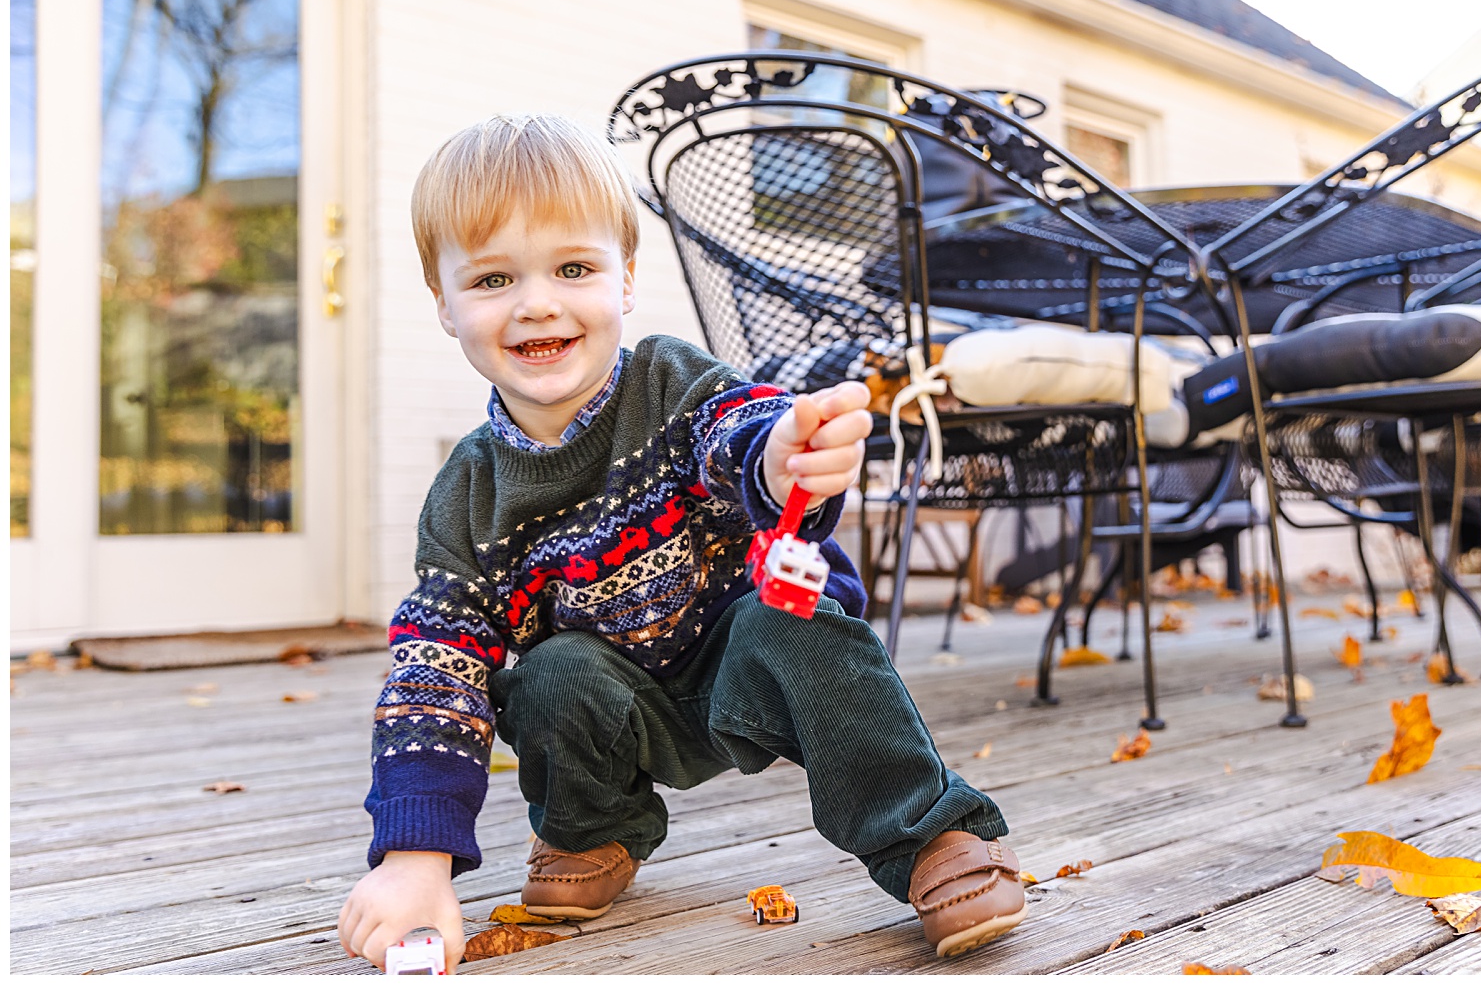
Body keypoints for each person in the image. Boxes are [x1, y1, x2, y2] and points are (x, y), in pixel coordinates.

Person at [336, 114, 1026, 973]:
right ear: (442, 302)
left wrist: (781, 455)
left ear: (625, 279)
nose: (538, 301)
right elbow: (435, 672)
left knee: (795, 620)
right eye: (492, 278)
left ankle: (929, 835)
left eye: (573, 269)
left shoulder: (671, 382)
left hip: (748, 653)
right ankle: (596, 831)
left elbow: (734, 432)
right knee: (550, 671)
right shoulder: (469, 498)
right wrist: (414, 858)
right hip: (617, 702)